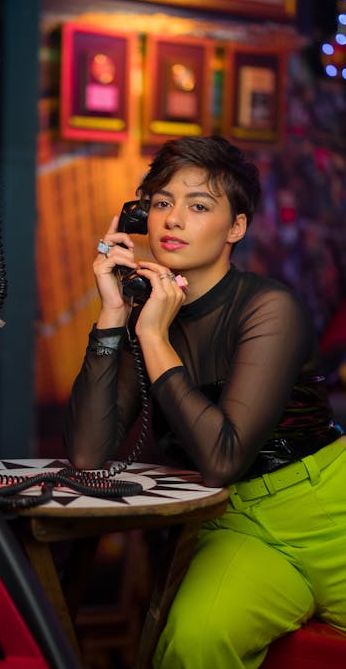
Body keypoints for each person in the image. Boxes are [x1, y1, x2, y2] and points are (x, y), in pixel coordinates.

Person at [64, 135, 346, 668]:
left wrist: (153, 339)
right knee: (192, 644)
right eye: (163, 203)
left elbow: (223, 456)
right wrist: (112, 314)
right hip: (232, 521)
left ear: (235, 227)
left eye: (198, 206)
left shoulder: (269, 308)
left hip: (327, 509)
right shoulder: (146, 315)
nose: (173, 220)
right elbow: (86, 455)